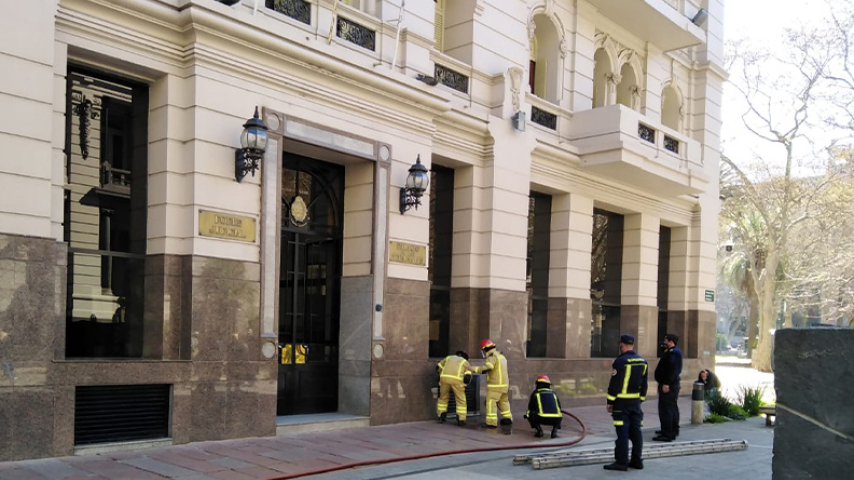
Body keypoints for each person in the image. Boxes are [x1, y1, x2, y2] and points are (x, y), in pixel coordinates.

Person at [604, 334, 648, 471]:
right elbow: (645, 384)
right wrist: (640, 399)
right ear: (633, 345)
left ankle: (621, 462)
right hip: (635, 403)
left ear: (621, 345)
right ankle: (637, 460)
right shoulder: (643, 361)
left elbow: (615, 383)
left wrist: (610, 401)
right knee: (636, 432)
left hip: (621, 403)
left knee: (622, 433)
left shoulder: (620, 361)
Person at [472, 339, 512, 428]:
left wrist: (474, 369)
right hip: (504, 385)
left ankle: (491, 423)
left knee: (491, 402)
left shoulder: (491, 357)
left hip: (495, 385)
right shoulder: (501, 356)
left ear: (485, 349)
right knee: (503, 402)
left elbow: (488, 368)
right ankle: (507, 419)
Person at [654, 333, 683, 442]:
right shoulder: (672, 352)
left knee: (666, 409)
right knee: (671, 407)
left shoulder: (674, 353)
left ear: (670, 342)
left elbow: (673, 370)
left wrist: (666, 383)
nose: (664, 343)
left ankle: (667, 433)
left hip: (669, 385)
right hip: (669, 384)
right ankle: (670, 429)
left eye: (666, 341)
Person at [436, 350, 472, 426]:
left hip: (444, 380)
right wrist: (466, 383)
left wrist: (441, 375)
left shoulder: (448, 358)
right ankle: (461, 419)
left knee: (443, 398)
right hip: (457, 381)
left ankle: (441, 416)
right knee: (460, 400)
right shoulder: (465, 362)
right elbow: (468, 376)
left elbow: (438, 367)